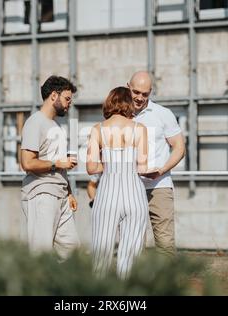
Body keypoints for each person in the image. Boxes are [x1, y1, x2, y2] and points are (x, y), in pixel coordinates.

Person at [86, 86, 151, 279]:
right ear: (128, 103)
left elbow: (91, 168)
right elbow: (143, 166)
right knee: (130, 258)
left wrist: (108, 164)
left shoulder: (98, 129)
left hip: (107, 193)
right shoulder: (140, 129)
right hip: (134, 193)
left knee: (100, 254)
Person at [20, 75, 80, 261]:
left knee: (72, 252)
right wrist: (57, 163)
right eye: (67, 99)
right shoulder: (35, 122)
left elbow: (58, 164)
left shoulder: (56, 126)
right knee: (40, 254)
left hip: (60, 194)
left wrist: (68, 191)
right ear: (54, 95)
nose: (69, 104)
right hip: (41, 194)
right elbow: (27, 163)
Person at [128, 71, 186, 257]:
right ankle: (134, 284)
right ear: (127, 87)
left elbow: (179, 148)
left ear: (150, 92)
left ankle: (167, 285)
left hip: (159, 185)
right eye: (136, 92)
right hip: (129, 186)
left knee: (165, 242)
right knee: (133, 243)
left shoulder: (163, 114)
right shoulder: (119, 115)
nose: (139, 98)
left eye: (145, 94)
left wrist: (161, 171)